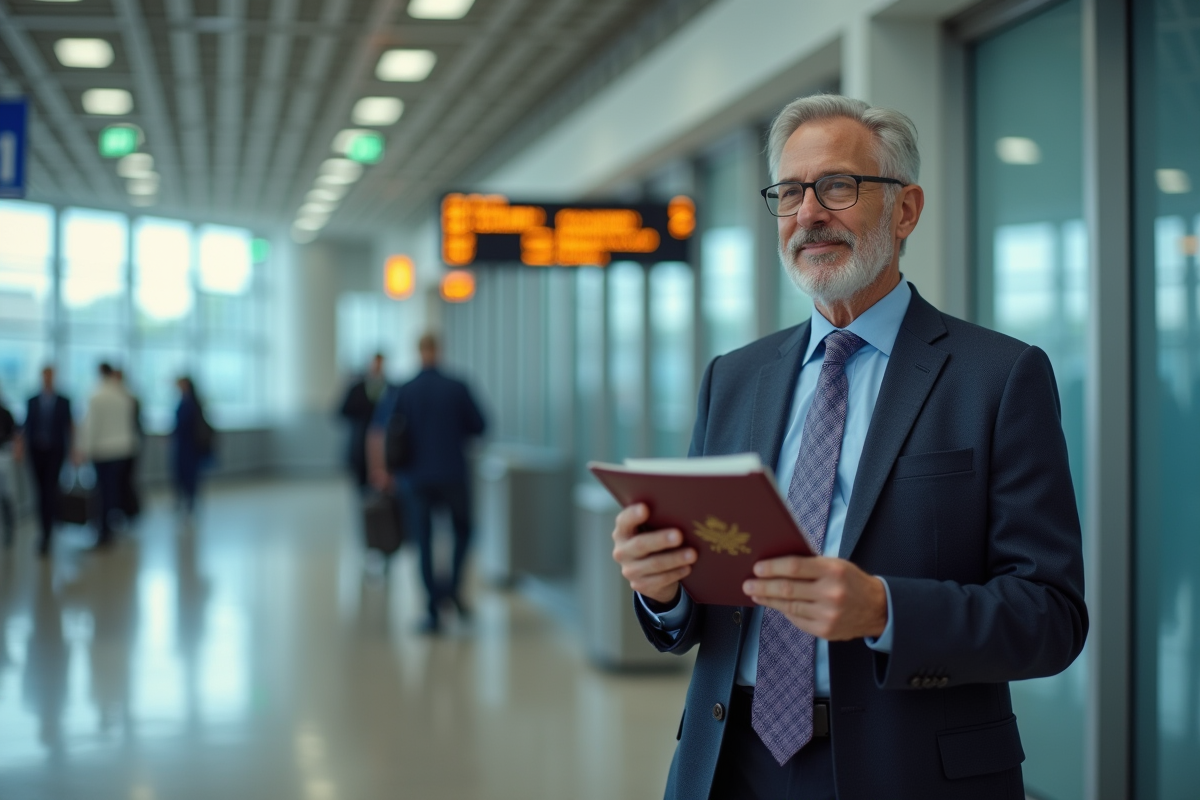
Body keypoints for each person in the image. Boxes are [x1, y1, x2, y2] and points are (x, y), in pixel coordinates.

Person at [610, 94, 1088, 800]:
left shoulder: (999, 377)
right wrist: (663, 592)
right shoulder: (733, 378)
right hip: (729, 766)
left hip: (912, 773)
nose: (809, 213)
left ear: (906, 210)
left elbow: (1050, 617)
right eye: (790, 192)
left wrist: (885, 610)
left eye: (837, 186)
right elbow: (707, 601)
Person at [369, 333, 486, 633]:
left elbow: (385, 431)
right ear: (440, 350)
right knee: (462, 532)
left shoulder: (405, 390)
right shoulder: (457, 387)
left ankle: (433, 609)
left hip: (416, 478)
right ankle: (453, 590)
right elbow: (480, 426)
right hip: (452, 474)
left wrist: (384, 470)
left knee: (423, 541)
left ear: (419, 351)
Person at [77, 362, 137, 549]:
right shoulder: (124, 395)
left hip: (103, 451)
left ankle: (104, 531)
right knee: (113, 490)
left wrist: (83, 449)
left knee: (102, 492)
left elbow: (91, 427)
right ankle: (111, 525)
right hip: (123, 450)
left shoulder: (97, 396)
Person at [20, 367, 73, 556]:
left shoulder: (64, 401)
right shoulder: (32, 400)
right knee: (41, 490)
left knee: (50, 488)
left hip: (55, 452)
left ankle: (47, 532)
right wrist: (20, 445)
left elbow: (69, 426)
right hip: (36, 451)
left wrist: (74, 450)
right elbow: (27, 425)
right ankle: (46, 523)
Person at [339, 353, 389, 490]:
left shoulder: (390, 388)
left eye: (380, 363)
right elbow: (342, 412)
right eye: (375, 363)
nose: (377, 367)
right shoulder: (357, 388)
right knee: (361, 487)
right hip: (360, 445)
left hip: (383, 447)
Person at [171, 376, 209, 514]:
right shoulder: (184, 400)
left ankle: (190, 501)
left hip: (190, 445)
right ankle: (182, 499)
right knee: (180, 473)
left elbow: (187, 424)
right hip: (182, 444)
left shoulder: (191, 403)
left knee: (189, 474)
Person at [112, 368, 143, 521]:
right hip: (119, 446)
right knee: (119, 482)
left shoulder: (128, 398)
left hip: (128, 446)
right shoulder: (119, 398)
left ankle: (130, 510)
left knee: (126, 480)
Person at [0, 394, 16, 548]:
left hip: (4, 455)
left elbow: (15, 433)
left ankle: (9, 529)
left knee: (6, 494)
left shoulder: (5, 413)